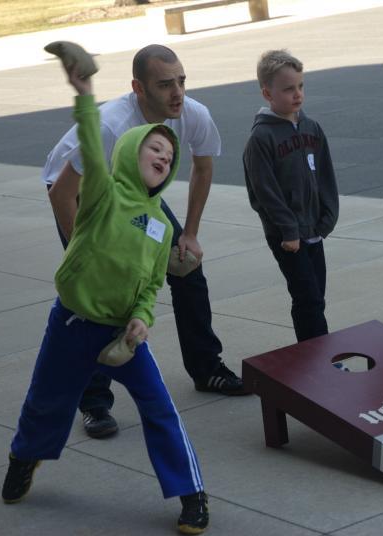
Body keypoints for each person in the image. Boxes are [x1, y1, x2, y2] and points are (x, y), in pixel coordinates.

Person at [3, 58, 209, 535]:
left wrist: (142, 318)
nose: (162, 156)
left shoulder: (160, 225)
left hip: (123, 333)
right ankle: (24, 456)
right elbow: (92, 149)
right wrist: (83, 92)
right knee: (46, 400)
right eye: (152, 148)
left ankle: (191, 493)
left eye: (168, 155)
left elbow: (154, 284)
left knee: (160, 408)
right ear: (129, 153)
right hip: (72, 322)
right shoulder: (103, 195)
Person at [42, 44, 246, 440]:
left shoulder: (193, 114)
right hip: (78, 188)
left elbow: (203, 167)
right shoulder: (111, 127)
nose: (177, 93)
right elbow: (63, 193)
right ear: (138, 88)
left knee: (187, 267)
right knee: (95, 298)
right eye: (165, 84)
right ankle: (94, 403)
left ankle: (207, 368)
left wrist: (189, 233)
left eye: (182, 81)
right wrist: (84, 254)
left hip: (135, 189)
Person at [242, 50, 339, 342]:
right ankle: (320, 359)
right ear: (267, 93)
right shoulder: (261, 139)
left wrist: (327, 218)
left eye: (300, 86)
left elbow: (325, 175)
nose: (297, 95)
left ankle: (310, 356)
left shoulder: (312, 128)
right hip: (287, 238)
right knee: (307, 297)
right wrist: (288, 229)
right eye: (288, 89)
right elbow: (263, 192)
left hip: (314, 229)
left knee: (315, 298)